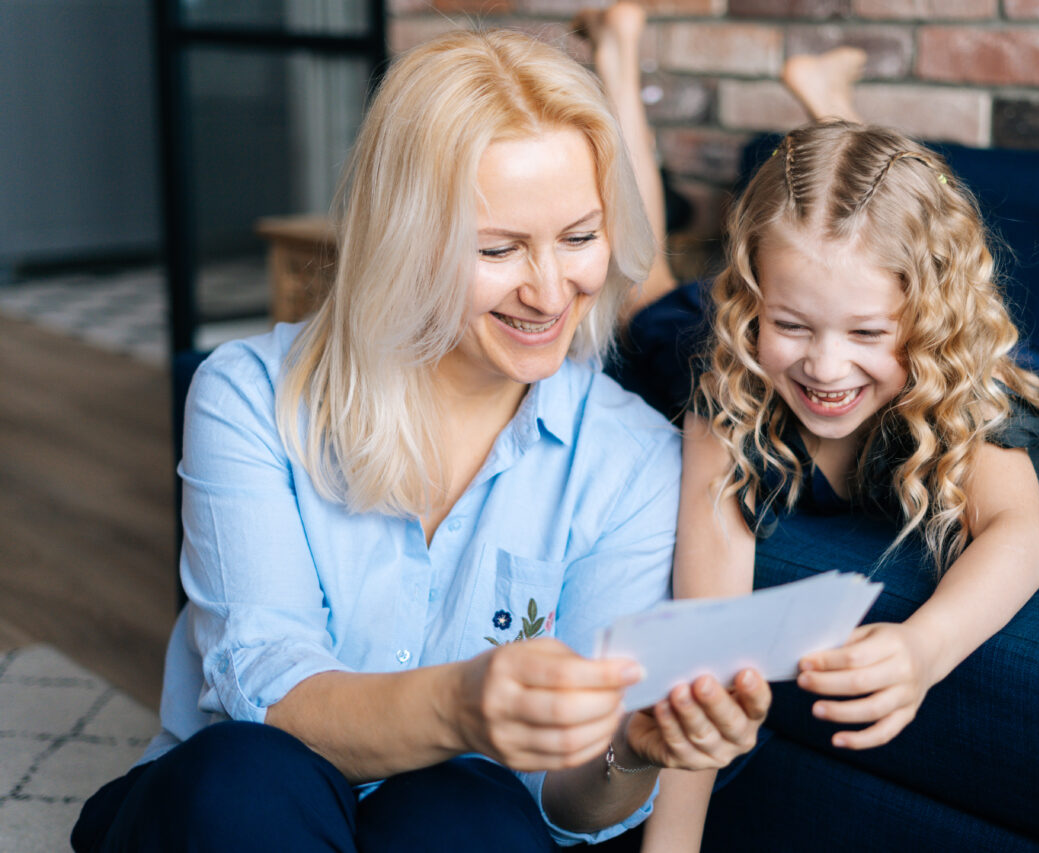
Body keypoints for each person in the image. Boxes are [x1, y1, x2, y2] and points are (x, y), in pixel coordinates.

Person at [70, 28, 773, 853]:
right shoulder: (249, 395)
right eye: (499, 248)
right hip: (249, 796)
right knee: (245, 774)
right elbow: (267, 687)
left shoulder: (630, 464)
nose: (551, 290)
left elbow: (565, 803)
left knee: (466, 809)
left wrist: (634, 750)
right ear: (407, 239)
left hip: (454, 817)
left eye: (580, 238)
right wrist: (462, 702)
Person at [577, 6, 1039, 850]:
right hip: (715, 328)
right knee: (642, 286)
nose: (827, 370)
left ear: (929, 319)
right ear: (751, 301)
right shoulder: (727, 379)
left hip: (852, 288)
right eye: (791, 325)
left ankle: (825, 99)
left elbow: (1019, 535)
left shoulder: (957, 377)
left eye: (871, 334)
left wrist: (922, 650)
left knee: (847, 225)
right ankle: (618, 49)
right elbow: (706, 642)